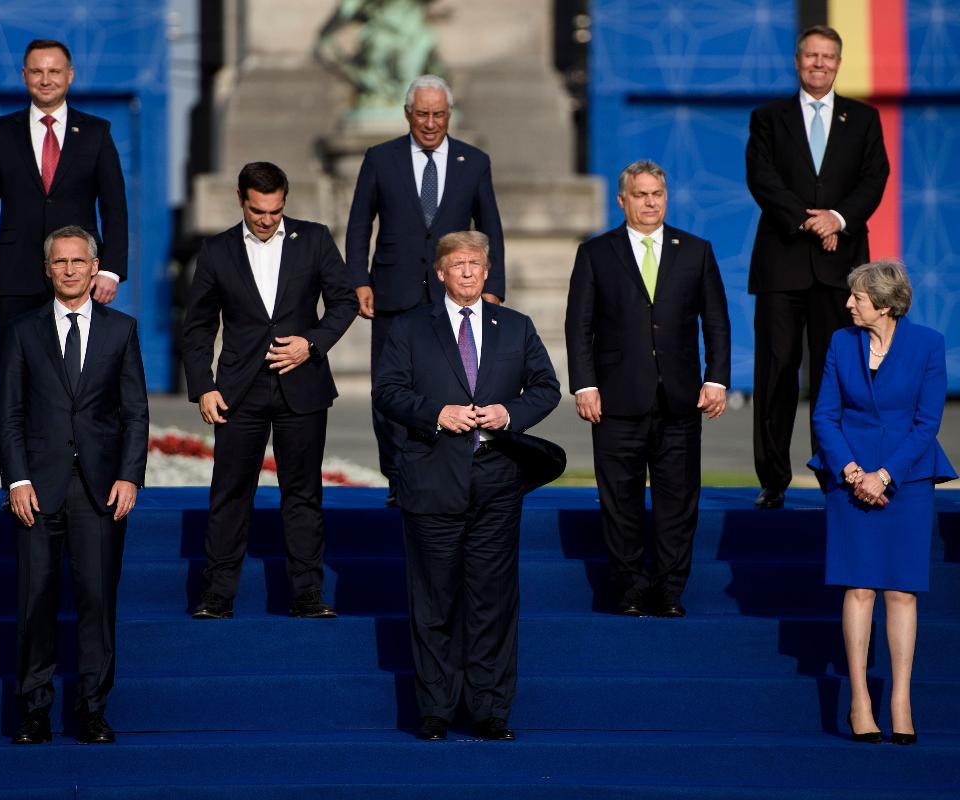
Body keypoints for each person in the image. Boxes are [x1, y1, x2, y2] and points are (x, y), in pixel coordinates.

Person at [373, 231, 564, 742]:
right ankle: (436, 708)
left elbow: (547, 387)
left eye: (475, 265)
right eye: (457, 265)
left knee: (492, 600)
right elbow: (387, 392)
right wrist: (437, 413)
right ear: (440, 272)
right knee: (434, 600)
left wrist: (509, 413)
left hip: (496, 479)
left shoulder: (515, 327)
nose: (466, 273)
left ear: (486, 271)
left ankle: (489, 710)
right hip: (432, 479)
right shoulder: (411, 328)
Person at [181, 162, 358, 620]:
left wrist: (312, 343)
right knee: (229, 493)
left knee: (302, 493)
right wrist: (202, 386)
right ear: (241, 199)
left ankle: (307, 595)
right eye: (259, 210)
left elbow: (344, 301)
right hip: (238, 390)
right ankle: (217, 596)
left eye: (276, 211)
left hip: (303, 386)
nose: (267, 219)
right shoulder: (217, 250)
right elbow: (198, 326)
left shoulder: (314, 238)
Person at [0, 225, 148, 745]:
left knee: (97, 602)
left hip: (102, 489)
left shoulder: (122, 329)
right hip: (37, 488)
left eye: (78, 261)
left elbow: (135, 413)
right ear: (47, 269)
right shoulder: (22, 329)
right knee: (35, 600)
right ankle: (34, 710)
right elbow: (9, 414)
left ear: (93, 265)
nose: (68, 269)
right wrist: (16, 479)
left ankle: (92, 710)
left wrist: (130, 476)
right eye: (59, 262)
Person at [565, 160, 730, 618]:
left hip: (679, 398)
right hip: (616, 399)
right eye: (640, 194)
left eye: (657, 192)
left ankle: (670, 588)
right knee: (620, 499)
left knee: (678, 499)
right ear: (622, 201)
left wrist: (715, 378)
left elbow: (716, 321)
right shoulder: (596, 253)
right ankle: (633, 588)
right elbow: (578, 325)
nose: (650, 201)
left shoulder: (695, 251)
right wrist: (584, 384)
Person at [809, 260, 954, 746]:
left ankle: (900, 700)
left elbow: (925, 423)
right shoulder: (839, 343)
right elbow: (825, 416)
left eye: (858, 298)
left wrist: (886, 475)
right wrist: (852, 472)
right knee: (859, 587)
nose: (848, 303)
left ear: (887, 306)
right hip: (847, 476)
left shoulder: (928, 345)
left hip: (907, 479)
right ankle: (859, 700)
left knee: (900, 591)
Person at [747, 25, 890, 509]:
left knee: (838, 375)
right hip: (781, 266)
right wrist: (809, 222)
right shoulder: (768, 118)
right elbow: (762, 178)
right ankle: (773, 479)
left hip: (843, 270)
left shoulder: (865, 119)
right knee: (776, 373)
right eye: (811, 56)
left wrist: (839, 219)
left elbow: (875, 178)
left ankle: (835, 474)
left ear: (838, 62)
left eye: (828, 57)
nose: (819, 64)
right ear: (797, 60)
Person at [346, 74, 505, 504]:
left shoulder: (473, 161)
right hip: (393, 294)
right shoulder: (381, 158)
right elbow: (360, 223)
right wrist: (358, 279)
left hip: (454, 296)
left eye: (438, 115)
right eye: (422, 115)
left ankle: (448, 477)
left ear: (449, 114)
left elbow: (490, 226)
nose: (430, 123)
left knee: (451, 385)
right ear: (407, 114)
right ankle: (400, 479)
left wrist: (494, 287)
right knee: (391, 390)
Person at [0, 38, 128, 363]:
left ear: (70, 75)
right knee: (14, 369)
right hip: (15, 274)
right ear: (24, 76)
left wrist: (111, 269)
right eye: (37, 71)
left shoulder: (97, 132)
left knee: (74, 368)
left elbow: (115, 209)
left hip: (78, 274)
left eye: (54, 71)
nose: (46, 79)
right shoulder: (1, 132)